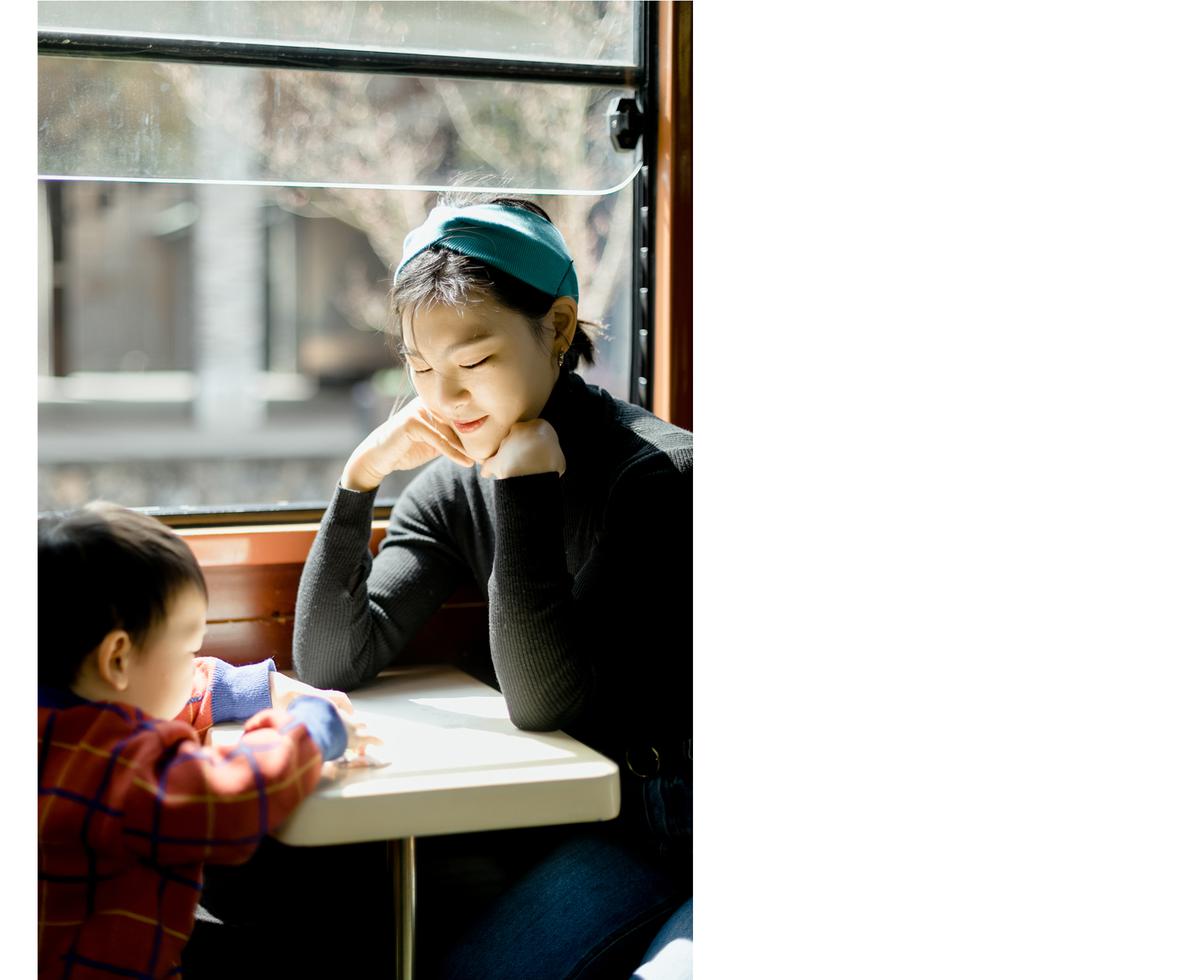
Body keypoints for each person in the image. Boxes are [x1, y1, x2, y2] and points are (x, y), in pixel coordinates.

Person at [293, 194, 692, 979]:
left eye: (472, 364)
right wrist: (359, 479)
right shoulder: (454, 485)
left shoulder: (659, 479)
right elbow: (333, 657)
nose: (442, 399)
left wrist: (524, 490)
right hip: (596, 823)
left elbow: (545, 701)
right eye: (420, 368)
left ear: (558, 328)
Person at [37, 502, 377, 979]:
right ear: (117, 658)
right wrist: (313, 727)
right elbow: (237, 797)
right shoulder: (124, 768)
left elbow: (165, 697)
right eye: (189, 649)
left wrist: (247, 688)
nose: (195, 661)